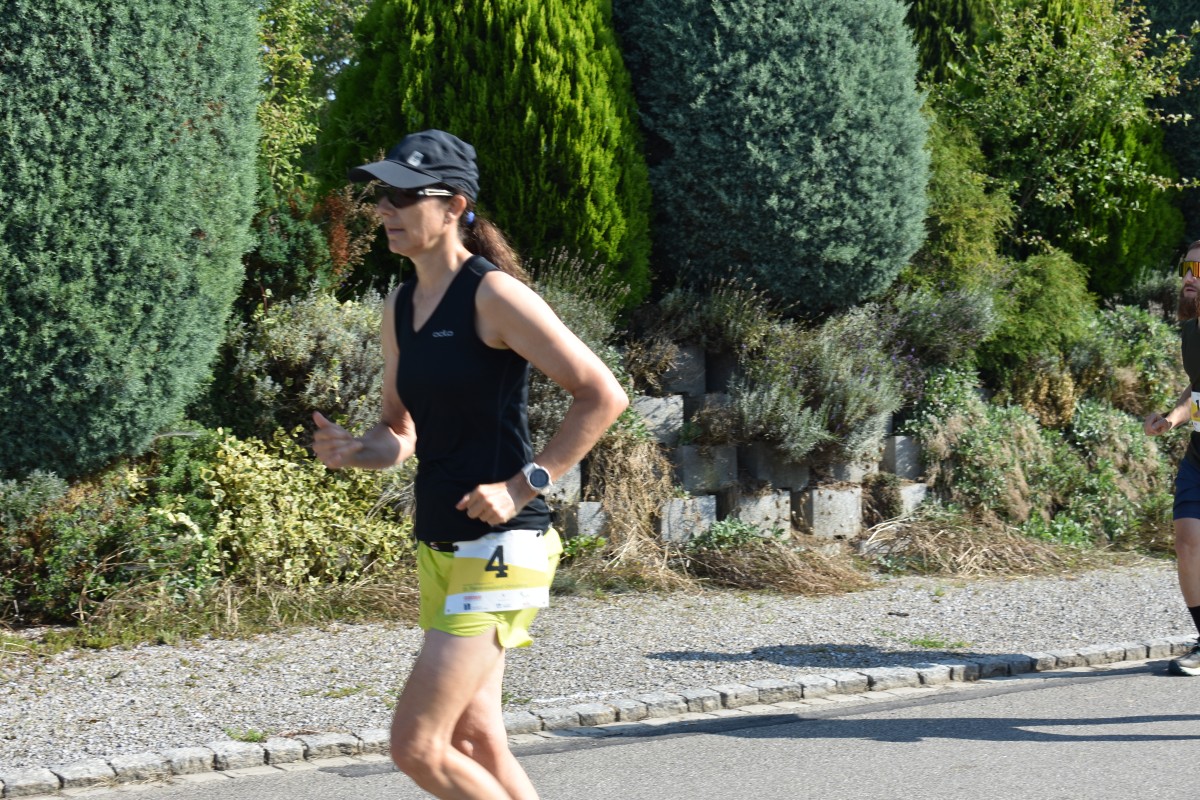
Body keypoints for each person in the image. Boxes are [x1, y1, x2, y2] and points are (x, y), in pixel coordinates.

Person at [311, 129, 628, 799]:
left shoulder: (494, 296)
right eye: (382, 194)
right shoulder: (400, 306)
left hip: (503, 544)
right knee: (475, 738)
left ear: (454, 205)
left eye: (404, 195)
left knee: (417, 745)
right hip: (438, 540)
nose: (385, 208)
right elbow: (400, 431)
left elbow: (603, 395)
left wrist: (524, 484)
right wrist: (357, 451)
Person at [1144, 239, 1200, 676]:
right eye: (1187, 269)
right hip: (1199, 457)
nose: (1189, 278)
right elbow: (1196, 387)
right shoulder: (1192, 328)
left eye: (1199, 272)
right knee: (1186, 543)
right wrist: (1172, 417)